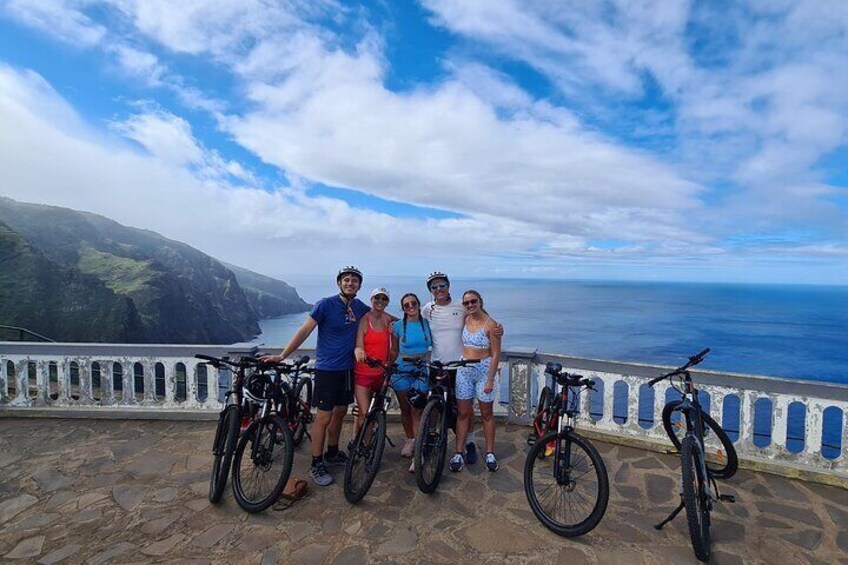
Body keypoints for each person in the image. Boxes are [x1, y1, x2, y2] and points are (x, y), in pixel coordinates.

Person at [262, 266, 369, 487]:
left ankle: (332, 452)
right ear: (339, 283)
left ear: (359, 285)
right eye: (346, 280)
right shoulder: (325, 304)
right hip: (327, 369)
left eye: (355, 281)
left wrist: (412, 318)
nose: (350, 283)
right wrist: (283, 355)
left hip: (347, 369)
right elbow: (305, 330)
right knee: (323, 417)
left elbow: (381, 316)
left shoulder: (360, 307)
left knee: (340, 412)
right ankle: (316, 463)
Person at [422, 272, 502, 465]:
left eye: (442, 285)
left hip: (460, 366)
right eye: (434, 287)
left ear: (449, 286)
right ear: (430, 291)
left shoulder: (461, 305)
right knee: (435, 407)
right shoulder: (427, 309)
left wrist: (498, 328)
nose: (439, 289)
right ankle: (432, 439)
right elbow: (411, 316)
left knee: (464, 411)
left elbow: (481, 317)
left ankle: (470, 442)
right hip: (438, 364)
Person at [451, 290, 503, 472]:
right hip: (464, 370)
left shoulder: (491, 325)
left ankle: (490, 453)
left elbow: (496, 354)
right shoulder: (465, 318)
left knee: (486, 414)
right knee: (463, 413)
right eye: (466, 303)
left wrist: (490, 379)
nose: (470, 305)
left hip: (483, 370)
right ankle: (458, 452)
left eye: (473, 301)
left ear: (480, 301)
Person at [391, 293, 432, 473]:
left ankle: (418, 452)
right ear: (403, 308)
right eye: (406, 305)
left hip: (421, 369)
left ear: (418, 304)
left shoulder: (427, 324)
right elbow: (393, 351)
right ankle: (410, 439)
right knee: (405, 409)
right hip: (402, 370)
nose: (410, 307)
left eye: (413, 303)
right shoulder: (398, 326)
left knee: (418, 410)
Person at [352, 288, 397, 438]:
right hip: (363, 373)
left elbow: (404, 321)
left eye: (384, 299)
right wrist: (359, 351)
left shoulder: (387, 319)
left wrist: (395, 329)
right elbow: (359, 343)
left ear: (388, 302)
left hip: (381, 373)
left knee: (376, 412)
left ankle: (365, 444)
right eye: (377, 297)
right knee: (365, 413)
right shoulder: (364, 319)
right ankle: (361, 445)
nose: (380, 301)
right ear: (371, 299)